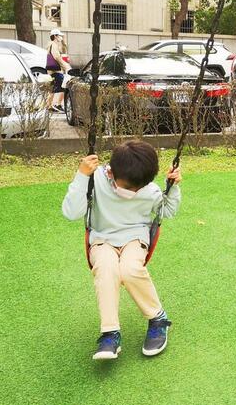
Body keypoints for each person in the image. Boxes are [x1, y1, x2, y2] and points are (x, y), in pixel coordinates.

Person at [62, 141, 182, 360]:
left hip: (134, 238)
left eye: (139, 188)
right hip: (102, 238)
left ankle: (158, 318)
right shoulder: (95, 179)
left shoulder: (150, 189)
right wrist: (81, 176)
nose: (133, 192)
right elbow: (71, 213)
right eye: (127, 187)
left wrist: (173, 187)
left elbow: (168, 211)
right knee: (107, 269)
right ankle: (110, 333)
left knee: (129, 269)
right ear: (112, 172)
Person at [46, 28, 70, 111]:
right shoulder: (54, 45)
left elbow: (63, 50)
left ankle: (48, 106)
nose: (61, 37)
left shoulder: (51, 44)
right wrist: (65, 65)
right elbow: (57, 57)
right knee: (64, 86)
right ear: (55, 36)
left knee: (53, 88)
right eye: (59, 35)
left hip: (52, 70)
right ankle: (58, 104)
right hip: (56, 70)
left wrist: (64, 41)